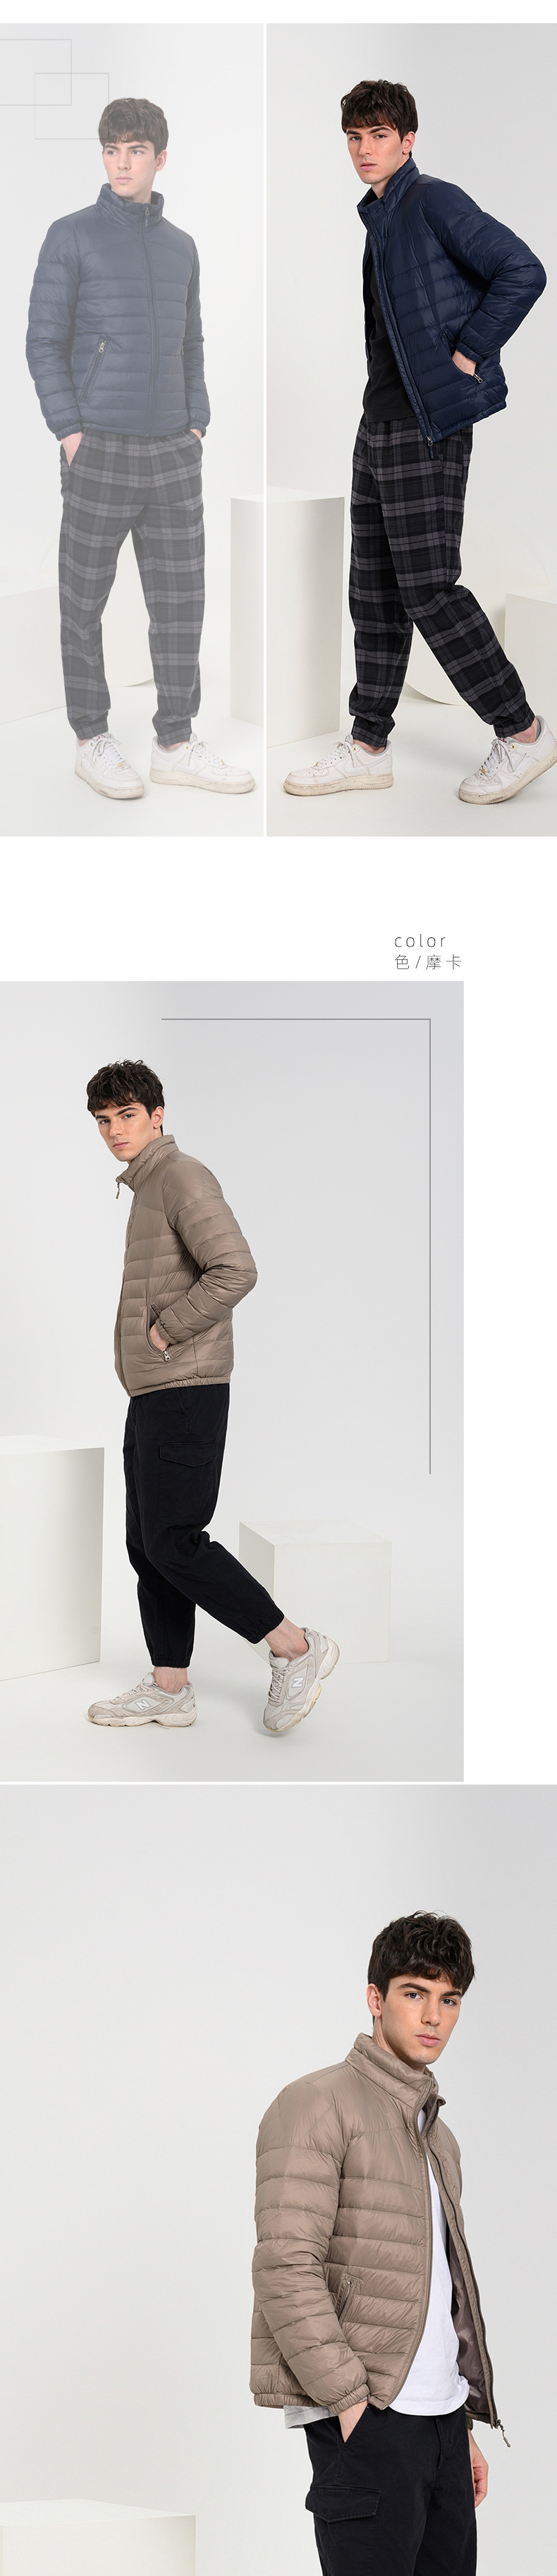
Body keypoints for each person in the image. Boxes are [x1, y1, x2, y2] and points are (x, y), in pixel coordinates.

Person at [284, 78, 556, 808]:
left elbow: (523, 269)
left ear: (407, 141)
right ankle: (367, 745)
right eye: (354, 137)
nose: (364, 149)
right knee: (372, 590)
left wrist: (468, 352)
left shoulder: (432, 200)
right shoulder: (381, 219)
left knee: (429, 588)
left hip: (425, 424)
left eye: (378, 135)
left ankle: (523, 731)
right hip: (378, 422)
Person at [252, 1909, 508, 2576]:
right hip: (371, 2418)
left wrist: (459, 2423)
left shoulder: (439, 2137)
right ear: (375, 1997)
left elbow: (439, 2291)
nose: (434, 2016)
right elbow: (284, 2266)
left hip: (443, 2424)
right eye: (415, 1993)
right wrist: (350, 2404)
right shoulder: (315, 2103)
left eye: (449, 1999)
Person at [85, 1059, 339, 1730]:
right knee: (148, 1545)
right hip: (154, 1390)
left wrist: (166, 1330)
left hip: (186, 1387)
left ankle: (296, 1647)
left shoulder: (181, 1176)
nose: (114, 1131)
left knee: (174, 1540)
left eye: (127, 1115)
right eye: (104, 1121)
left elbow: (235, 1268)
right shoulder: (147, 1185)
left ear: (157, 1114)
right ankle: (170, 1687)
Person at [26, 97, 255, 801]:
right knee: (83, 603)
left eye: (134, 150)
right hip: (98, 448)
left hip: (172, 454)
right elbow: (43, 342)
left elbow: (193, 342)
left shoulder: (181, 246)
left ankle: (175, 743)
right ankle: (91, 739)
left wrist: (197, 423)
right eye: (111, 149)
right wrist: (71, 433)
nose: (121, 163)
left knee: (182, 604)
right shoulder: (71, 235)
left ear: (160, 157)